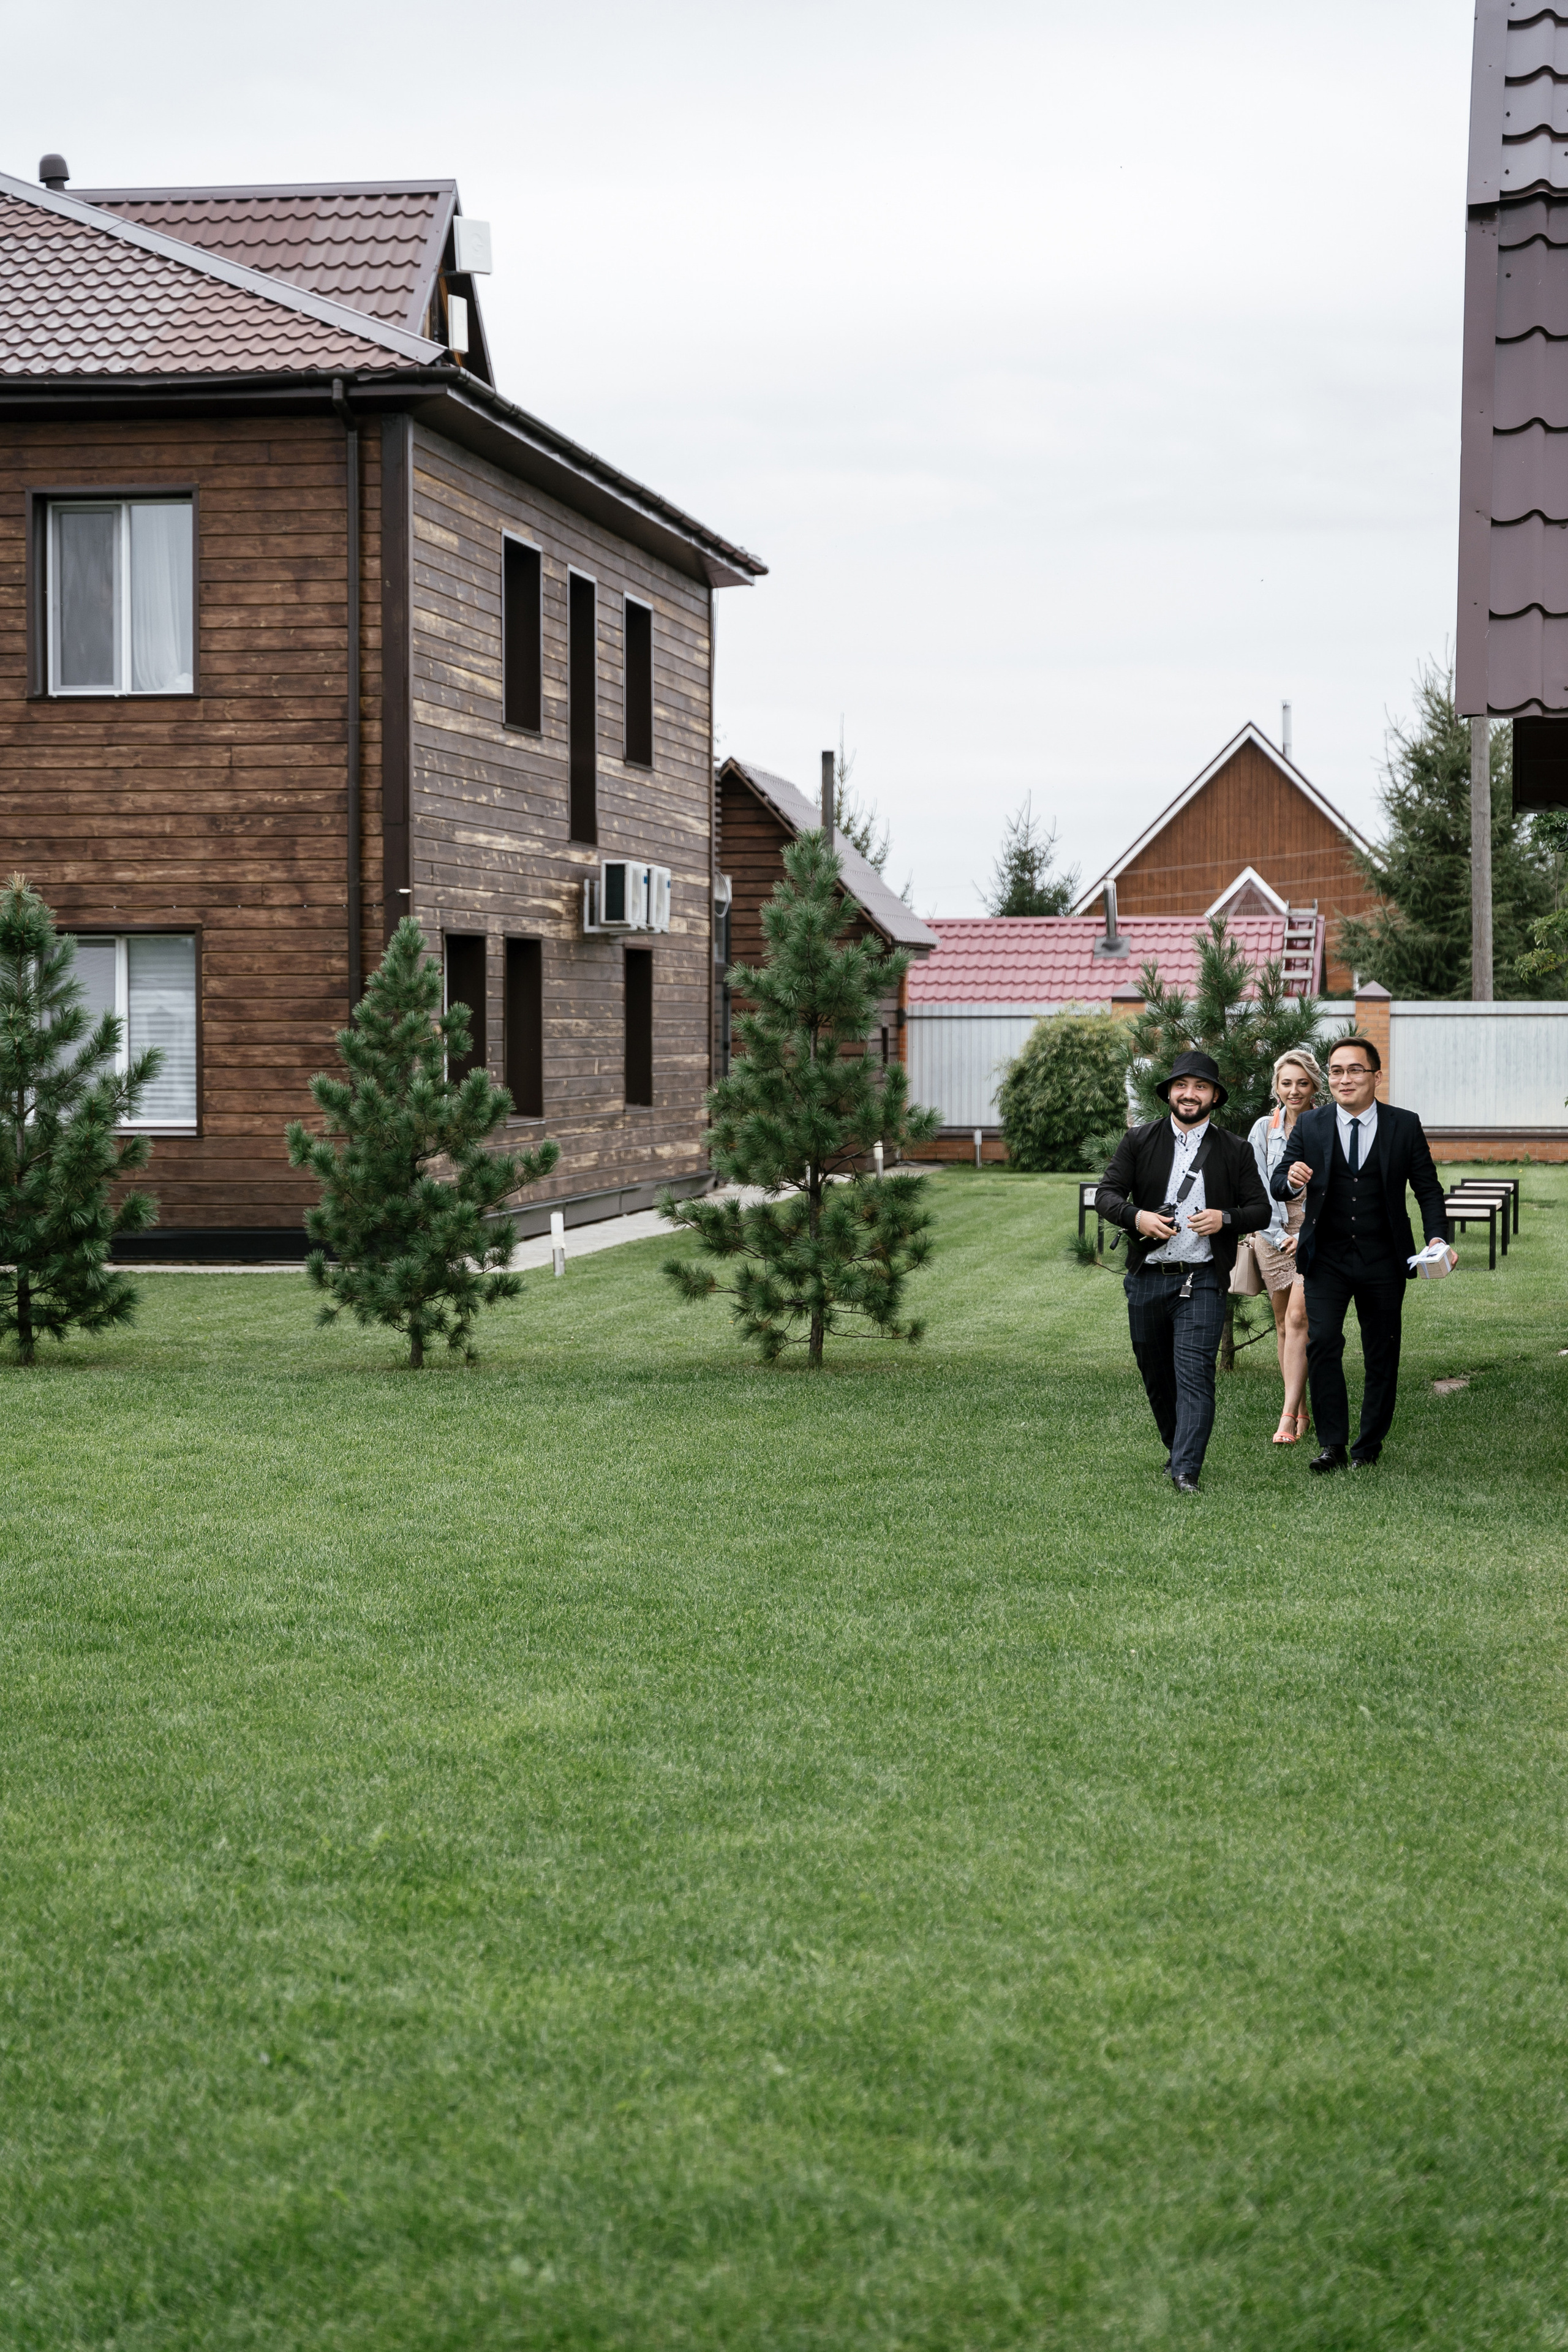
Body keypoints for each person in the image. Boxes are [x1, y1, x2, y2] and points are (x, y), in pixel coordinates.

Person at [1270, 1034, 1452, 1473]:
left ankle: (1368, 1446)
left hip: (1384, 1258)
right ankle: (1332, 1444)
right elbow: (1278, 1182)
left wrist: (1437, 1238)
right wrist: (1292, 1179)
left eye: (1355, 1070)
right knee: (1324, 1343)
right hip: (1327, 1258)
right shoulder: (1311, 1125)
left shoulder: (1403, 1125)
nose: (1344, 1079)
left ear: (1375, 1076)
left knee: (1382, 1352)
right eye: (1336, 1071)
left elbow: (1427, 1189)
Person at [1097, 1050, 1272, 1494]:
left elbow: (1259, 1209)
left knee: (1195, 1374)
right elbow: (1107, 1194)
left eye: (1200, 1087)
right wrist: (1137, 1218)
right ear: (1169, 1093)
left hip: (1204, 1278)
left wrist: (1225, 1220)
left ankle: (1186, 1470)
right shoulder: (1138, 1140)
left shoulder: (1236, 1149)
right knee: (1156, 1376)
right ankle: (1177, 1448)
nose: (1189, 1094)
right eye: (1181, 1086)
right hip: (1147, 1276)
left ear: (1214, 1097)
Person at [1245, 1047, 1326, 1446]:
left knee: (1298, 1319)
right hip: (1272, 1233)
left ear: (1314, 1086)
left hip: (1314, 1232)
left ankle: (1286, 1416)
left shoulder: (1327, 1125)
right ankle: (1301, 1404)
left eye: (1302, 1083)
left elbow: (1330, 1186)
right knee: (1282, 1325)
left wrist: (1307, 1233)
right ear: (1276, 1086)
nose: (1294, 1091)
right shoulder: (1263, 1128)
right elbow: (1260, 1185)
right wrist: (1278, 1235)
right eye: (1286, 1083)